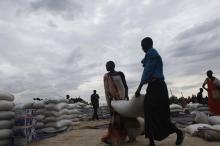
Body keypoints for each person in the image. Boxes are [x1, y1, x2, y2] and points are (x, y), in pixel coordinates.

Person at [135, 37, 184, 146]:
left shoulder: (152, 54)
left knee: (160, 114)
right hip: (153, 87)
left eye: (143, 45)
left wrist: (139, 88)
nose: (142, 47)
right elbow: (147, 71)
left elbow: (147, 72)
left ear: (148, 45)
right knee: (149, 114)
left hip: (158, 87)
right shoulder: (149, 56)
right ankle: (151, 142)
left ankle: (179, 132)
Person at [102, 61, 130, 145]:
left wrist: (127, 95)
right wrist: (109, 102)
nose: (106, 67)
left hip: (123, 98)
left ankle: (125, 136)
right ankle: (113, 138)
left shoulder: (120, 73)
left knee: (124, 118)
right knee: (115, 119)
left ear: (113, 65)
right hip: (114, 100)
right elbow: (106, 90)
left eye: (108, 65)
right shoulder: (106, 76)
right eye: (106, 65)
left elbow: (125, 85)